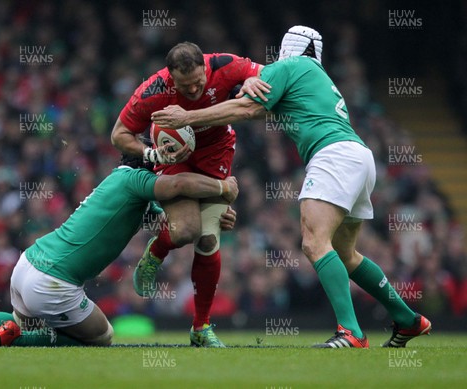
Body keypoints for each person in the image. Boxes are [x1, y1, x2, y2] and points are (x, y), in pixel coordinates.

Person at [150, 26, 431, 348]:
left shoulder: (288, 67)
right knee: (345, 254)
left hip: (333, 156)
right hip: (359, 157)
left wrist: (188, 117)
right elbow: (256, 110)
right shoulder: (316, 76)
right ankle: (408, 320)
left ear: (286, 49)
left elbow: (248, 109)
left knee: (314, 243)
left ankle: (351, 332)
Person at [0, 154, 238, 347]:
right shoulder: (135, 180)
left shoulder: (120, 185)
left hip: (28, 263)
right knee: (103, 336)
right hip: (54, 282)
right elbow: (178, 186)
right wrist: (224, 188)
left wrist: (212, 219)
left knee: (17, 319)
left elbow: (176, 226)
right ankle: (18, 337)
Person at [111, 42, 263, 347]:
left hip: (215, 153)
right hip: (173, 159)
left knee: (208, 239)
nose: (193, 89)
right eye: (185, 85)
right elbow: (119, 135)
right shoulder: (153, 90)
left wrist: (250, 80)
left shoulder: (225, 65)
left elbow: (261, 76)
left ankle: (200, 328)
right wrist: (150, 154)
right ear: (171, 77)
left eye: (198, 82)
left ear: (204, 68)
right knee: (186, 232)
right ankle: (158, 250)